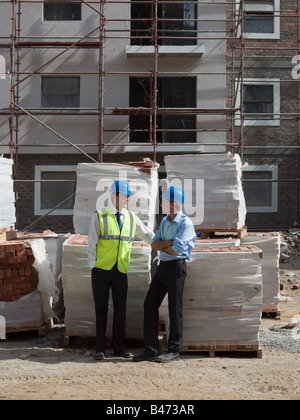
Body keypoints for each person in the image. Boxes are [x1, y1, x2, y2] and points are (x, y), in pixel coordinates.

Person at [88, 180, 154, 360]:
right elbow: (91, 244)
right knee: (101, 310)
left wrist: (165, 242)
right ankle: (100, 349)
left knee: (120, 310)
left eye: (128, 196)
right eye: (125, 196)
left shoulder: (132, 218)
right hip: (101, 270)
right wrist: (94, 266)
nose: (128, 199)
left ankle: (119, 348)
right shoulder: (99, 216)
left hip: (120, 271)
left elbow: (147, 235)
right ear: (115, 196)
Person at [133, 186, 196, 363]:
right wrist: (166, 243)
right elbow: (153, 244)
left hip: (176, 268)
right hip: (163, 267)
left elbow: (177, 251)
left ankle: (174, 351)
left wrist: (164, 245)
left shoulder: (185, 223)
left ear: (173, 203)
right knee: (149, 304)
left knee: (175, 309)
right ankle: (151, 349)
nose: (161, 203)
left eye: (164, 201)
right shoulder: (165, 222)